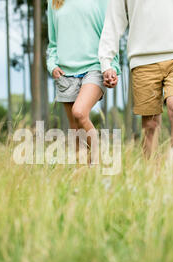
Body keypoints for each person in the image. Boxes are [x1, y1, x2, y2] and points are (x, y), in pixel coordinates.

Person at [99, 0, 173, 157]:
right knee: (150, 124)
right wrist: (106, 61)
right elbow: (114, 21)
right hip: (142, 60)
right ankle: (151, 175)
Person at [47, 0, 120, 159]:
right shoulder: (53, 2)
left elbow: (109, 35)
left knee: (79, 113)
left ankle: (96, 162)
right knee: (75, 129)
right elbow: (53, 42)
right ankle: (82, 175)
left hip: (94, 67)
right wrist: (52, 65)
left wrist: (112, 65)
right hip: (65, 72)